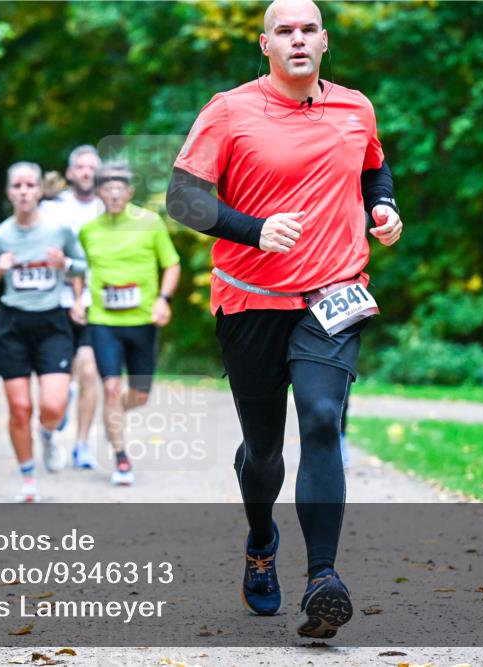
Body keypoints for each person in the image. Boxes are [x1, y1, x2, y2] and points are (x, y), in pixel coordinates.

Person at [166, 0, 402, 639]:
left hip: (334, 294)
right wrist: (255, 229)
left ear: (324, 41)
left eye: (307, 30)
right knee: (265, 451)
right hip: (250, 299)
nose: (297, 40)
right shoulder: (230, 110)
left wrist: (383, 209)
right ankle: (262, 537)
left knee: (324, 420)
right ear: (264, 44)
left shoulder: (356, 107)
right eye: (283, 31)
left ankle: (322, 578)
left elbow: (373, 168)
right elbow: (182, 198)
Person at [0, 161, 88, 502]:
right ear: (9, 193)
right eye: (17, 186)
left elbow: (82, 265)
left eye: (29, 186)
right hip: (12, 325)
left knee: (51, 406)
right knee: (19, 407)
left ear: (39, 190)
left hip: (52, 322)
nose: (24, 192)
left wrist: (63, 265)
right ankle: (27, 477)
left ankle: (49, 433)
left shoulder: (60, 230)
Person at [78, 160, 180, 486]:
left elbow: (173, 265)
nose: (114, 194)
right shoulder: (88, 231)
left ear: (130, 191)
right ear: (98, 193)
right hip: (103, 320)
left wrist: (164, 299)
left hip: (142, 320)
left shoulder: (150, 223)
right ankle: (122, 459)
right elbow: (77, 270)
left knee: (138, 396)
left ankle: (114, 416)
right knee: (109, 387)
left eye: (119, 188)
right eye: (107, 189)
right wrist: (79, 299)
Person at [39, 146, 105, 469]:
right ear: (69, 173)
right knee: (60, 377)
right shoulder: (53, 210)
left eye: (92, 167)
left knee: (90, 370)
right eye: (80, 167)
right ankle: (57, 411)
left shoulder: (108, 208)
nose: (86, 172)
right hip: (57, 301)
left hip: (97, 303)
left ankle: (81, 445)